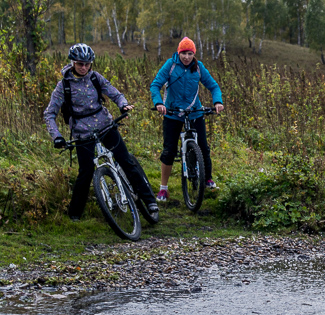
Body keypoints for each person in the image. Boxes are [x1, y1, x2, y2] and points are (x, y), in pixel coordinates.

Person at [44, 43, 158, 221]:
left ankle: (150, 201)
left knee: (126, 161)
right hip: (82, 133)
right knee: (86, 172)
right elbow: (49, 113)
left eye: (87, 64)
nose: (84, 68)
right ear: (73, 63)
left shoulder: (95, 78)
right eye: (80, 64)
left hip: (105, 125)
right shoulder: (63, 86)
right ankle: (75, 215)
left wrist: (123, 104)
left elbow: (114, 93)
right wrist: (57, 136)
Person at [150, 37, 224, 201]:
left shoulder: (198, 68)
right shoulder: (170, 65)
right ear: (179, 53)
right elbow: (155, 85)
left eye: (190, 54)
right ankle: (163, 188)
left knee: (203, 148)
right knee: (169, 151)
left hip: (194, 112)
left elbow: (213, 86)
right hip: (172, 112)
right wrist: (159, 103)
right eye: (183, 53)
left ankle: (208, 180)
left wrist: (217, 101)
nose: (186, 57)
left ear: (194, 54)